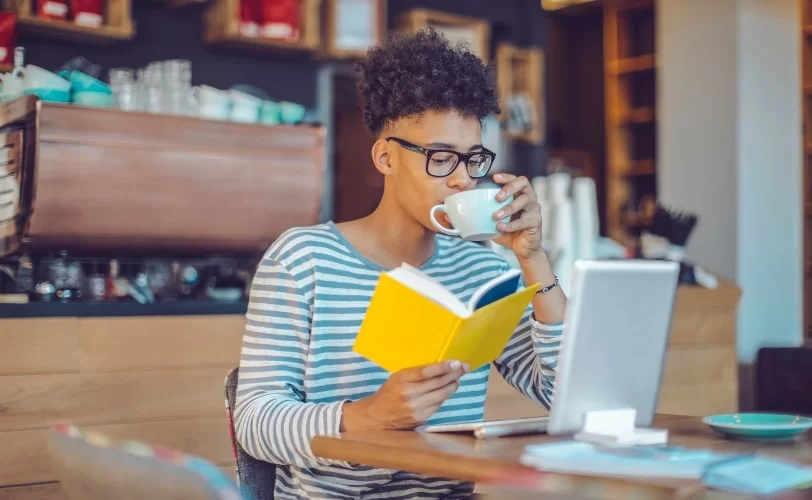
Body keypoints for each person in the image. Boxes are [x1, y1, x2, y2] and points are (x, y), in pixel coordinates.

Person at [234, 28, 567, 499]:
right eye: (440, 158)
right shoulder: (303, 259)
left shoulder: (485, 272)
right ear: (385, 157)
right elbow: (254, 421)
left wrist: (532, 257)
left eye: (472, 159)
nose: (460, 181)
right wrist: (369, 416)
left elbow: (561, 394)